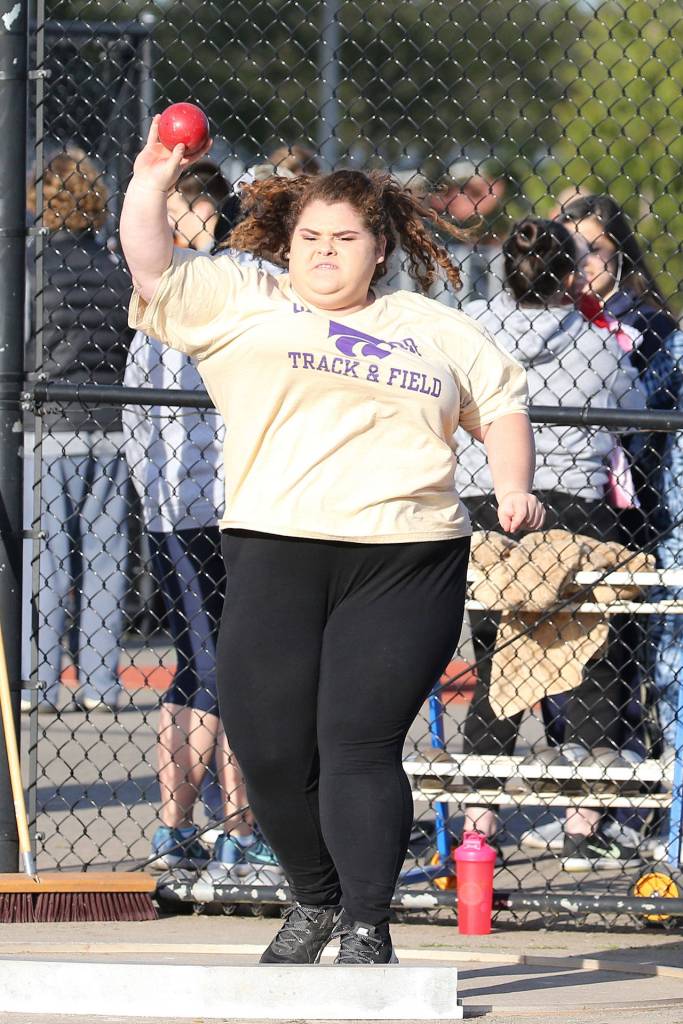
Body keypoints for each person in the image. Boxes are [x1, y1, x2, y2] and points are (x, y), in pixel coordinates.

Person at [120, 116, 542, 965]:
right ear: (289, 240)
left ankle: (364, 924)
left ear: (376, 247)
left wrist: (510, 485)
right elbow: (151, 263)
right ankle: (312, 900)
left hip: (405, 555)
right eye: (310, 236)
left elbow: (499, 402)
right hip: (276, 546)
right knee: (268, 742)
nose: (323, 251)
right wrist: (152, 179)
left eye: (343, 238)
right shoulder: (243, 300)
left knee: (355, 741)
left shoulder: (432, 325)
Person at [456, 218, 646, 872]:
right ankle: (580, 824)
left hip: (485, 515)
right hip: (572, 518)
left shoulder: (471, 332)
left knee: (496, 670)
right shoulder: (598, 347)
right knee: (595, 664)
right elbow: (634, 412)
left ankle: (478, 827)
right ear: (570, 276)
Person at [122, 161, 282, 883]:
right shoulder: (201, 294)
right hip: (199, 511)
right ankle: (229, 826)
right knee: (221, 668)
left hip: (195, 506)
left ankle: (187, 828)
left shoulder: (186, 292)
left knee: (200, 667)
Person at [557, 195, 683, 851]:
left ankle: (646, 807)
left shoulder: (648, 326)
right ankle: (592, 804)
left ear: (619, 253)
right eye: (567, 247)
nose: (580, 262)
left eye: (594, 248)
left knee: (632, 659)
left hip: (635, 511)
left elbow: (640, 419)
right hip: (572, 507)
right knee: (571, 658)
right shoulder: (552, 322)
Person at [25, 149, 133, 712]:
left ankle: (41, 678)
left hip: (48, 423)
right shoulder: (116, 267)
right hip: (111, 421)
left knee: (48, 555)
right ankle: (99, 680)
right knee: (106, 557)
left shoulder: (33, 267)